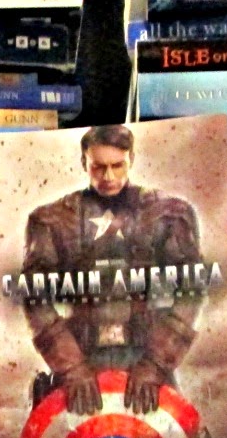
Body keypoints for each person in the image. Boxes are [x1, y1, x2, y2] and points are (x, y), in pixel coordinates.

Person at [21, 124, 205, 416]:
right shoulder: (52, 220)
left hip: (147, 362)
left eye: (117, 165)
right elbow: (34, 297)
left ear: (131, 159)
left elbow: (192, 289)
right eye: (99, 167)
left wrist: (155, 364)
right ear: (84, 163)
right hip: (79, 364)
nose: (108, 177)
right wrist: (71, 367)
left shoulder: (169, 214)